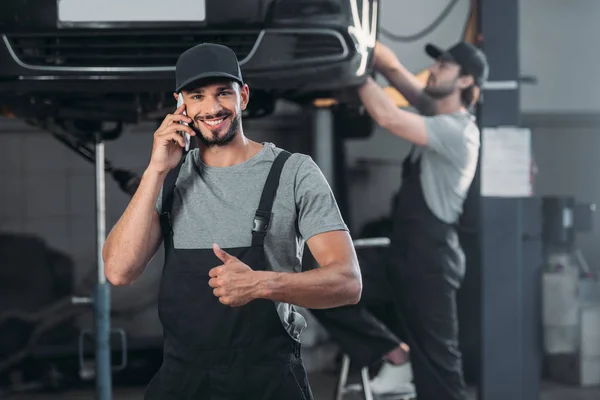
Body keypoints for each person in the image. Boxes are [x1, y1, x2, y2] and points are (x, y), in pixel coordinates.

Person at [102, 43, 363, 400]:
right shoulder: (169, 179)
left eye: (223, 93)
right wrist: (156, 169)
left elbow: (348, 283)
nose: (212, 108)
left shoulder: (294, 172)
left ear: (243, 95)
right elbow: (119, 271)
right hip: (182, 383)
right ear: (181, 104)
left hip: (267, 382)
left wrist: (261, 285)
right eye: (197, 96)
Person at [355, 41, 490, 400]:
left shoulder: (458, 131)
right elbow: (398, 73)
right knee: (318, 278)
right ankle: (394, 354)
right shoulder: (436, 114)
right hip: (401, 254)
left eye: (444, 65)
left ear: (465, 80)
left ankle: (408, 364)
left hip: (431, 264)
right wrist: (364, 44)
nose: (434, 69)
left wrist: (353, 71)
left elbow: (387, 116)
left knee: (441, 377)